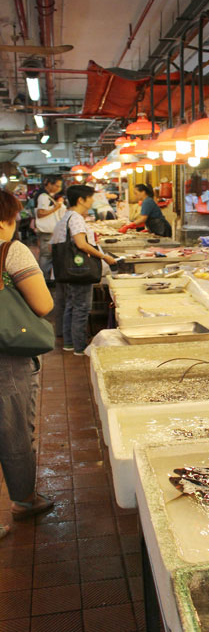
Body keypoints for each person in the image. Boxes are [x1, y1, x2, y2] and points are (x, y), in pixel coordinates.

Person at [0, 189, 55, 533]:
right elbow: (44, 305)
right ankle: (23, 500)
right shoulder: (11, 251)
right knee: (13, 430)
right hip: (6, 357)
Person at [51, 185, 117, 355]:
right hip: (79, 270)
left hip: (69, 269)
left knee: (72, 306)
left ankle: (69, 343)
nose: (93, 200)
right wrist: (104, 257)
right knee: (81, 308)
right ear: (81, 199)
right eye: (91, 197)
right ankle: (80, 347)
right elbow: (81, 244)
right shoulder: (76, 218)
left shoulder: (66, 216)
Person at [35, 175, 67, 282]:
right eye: (56, 186)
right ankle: (44, 279)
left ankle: (46, 277)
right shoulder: (43, 197)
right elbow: (41, 213)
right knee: (46, 255)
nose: (58, 188)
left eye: (59, 186)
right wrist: (56, 208)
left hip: (51, 231)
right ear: (49, 184)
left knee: (48, 255)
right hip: (47, 232)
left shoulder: (48, 197)